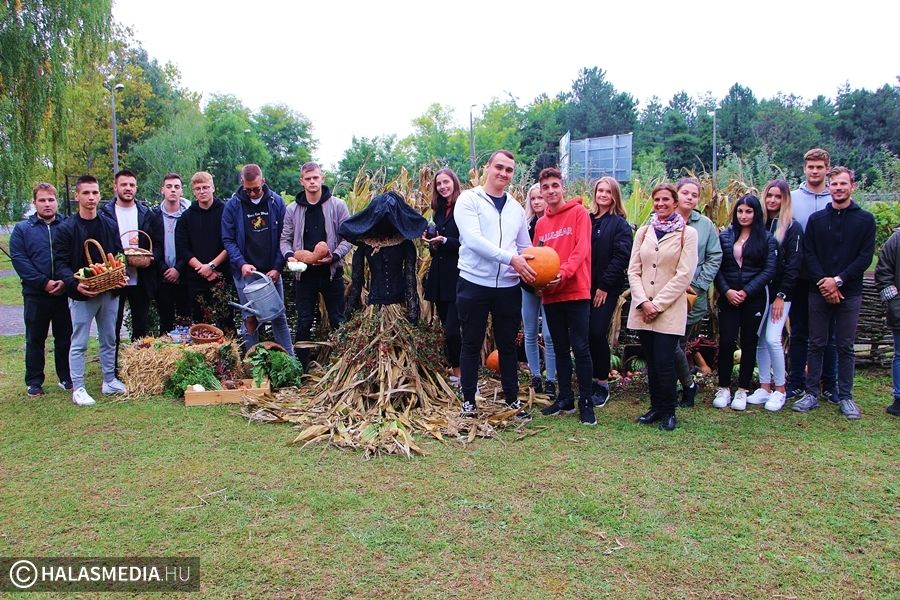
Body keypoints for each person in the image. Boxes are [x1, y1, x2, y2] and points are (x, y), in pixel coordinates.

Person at [454, 149, 536, 419]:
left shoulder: (515, 207)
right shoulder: (468, 200)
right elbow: (474, 240)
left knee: (508, 345)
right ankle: (469, 402)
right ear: (487, 167)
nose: (503, 173)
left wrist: (541, 268)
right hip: (474, 282)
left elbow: (524, 246)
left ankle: (512, 400)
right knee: (471, 343)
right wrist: (510, 259)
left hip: (508, 287)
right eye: (498, 167)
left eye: (509, 170)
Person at [793, 167, 875, 419]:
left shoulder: (865, 220)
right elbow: (808, 254)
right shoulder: (817, 220)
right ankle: (811, 394)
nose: (838, 188)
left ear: (853, 186)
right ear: (828, 188)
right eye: (834, 185)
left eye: (843, 184)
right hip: (818, 290)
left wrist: (838, 281)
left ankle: (846, 396)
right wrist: (823, 282)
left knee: (845, 345)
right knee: (816, 342)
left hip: (849, 292)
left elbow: (864, 257)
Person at [627, 183, 698, 431]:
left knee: (665, 360)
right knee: (652, 360)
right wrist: (643, 301)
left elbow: (684, 275)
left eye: (666, 199)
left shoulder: (686, 234)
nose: (660, 204)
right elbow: (634, 270)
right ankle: (656, 406)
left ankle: (669, 410)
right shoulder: (644, 232)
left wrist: (656, 304)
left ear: (675, 203)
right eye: (656, 200)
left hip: (668, 309)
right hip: (643, 308)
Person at [53, 175, 126, 405]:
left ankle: (109, 380)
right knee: (80, 341)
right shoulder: (67, 228)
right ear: (77, 196)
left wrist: (120, 275)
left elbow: (119, 254)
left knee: (109, 338)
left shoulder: (109, 224)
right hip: (82, 294)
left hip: (109, 291)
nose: (91, 197)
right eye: (86, 193)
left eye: (95, 193)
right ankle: (79, 388)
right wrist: (75, 284)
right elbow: (61, 264)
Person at [533, 167, 596, 425]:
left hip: (576, 289)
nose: (550, 191)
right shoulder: (540, 224)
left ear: (562, 187)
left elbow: (582, 248)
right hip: (551, 294)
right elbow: (536, 256)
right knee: (558, 347)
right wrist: (537, 283)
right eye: (545, 187)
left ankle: (586, 402)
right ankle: (565, 398)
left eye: (554, 185)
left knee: (580, 347)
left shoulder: (579, 213)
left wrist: (565, 272)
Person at [280, 162, 350, 367]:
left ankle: (342, 367)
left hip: (331, 272)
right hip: (304, 274)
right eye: (308, 178)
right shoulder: (292, 209)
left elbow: (349, 238)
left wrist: (335, 255)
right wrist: (290, 255)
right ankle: (300, 369)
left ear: (322, 179)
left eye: (315, 178)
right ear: (302, 181)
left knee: (338, 320)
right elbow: (285, 239)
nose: (312, 182)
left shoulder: (338, 206)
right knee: (303, 322)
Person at [712, 195, 777, 410]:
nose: (743, 215)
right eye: (740, 211)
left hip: (754, 299)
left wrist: (747, 291)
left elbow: (769, 270)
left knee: (749, 343)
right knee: (727, 342)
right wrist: (727, 290)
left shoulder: (767, 239)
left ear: (756, 213)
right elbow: (717, 266)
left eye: (748, 211)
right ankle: (723, 388)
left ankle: (742, 390)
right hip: (728, 298)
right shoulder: (725, 236)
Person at [222, 163, 295, 355]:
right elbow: (228, 239)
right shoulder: (233, 205)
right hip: (246, 272)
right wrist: (241, 263)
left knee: (278, 316)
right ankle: (252, 363)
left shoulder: (276, 202)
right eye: (248, 190)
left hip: (271, 271)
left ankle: (291, 360)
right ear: (242, 183)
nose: (253, 193)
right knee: (249, 318)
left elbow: (285, 236)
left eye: (256, 189)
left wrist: (278, 267)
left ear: (263, 181)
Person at [10, 183, 72, 396]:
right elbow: (20, 260)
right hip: (36, 294)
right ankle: (34, 380)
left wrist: (66, 281)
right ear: (34, 203)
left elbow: (73, 255)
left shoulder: (67, 225)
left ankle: (66, 376)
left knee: (65, 336)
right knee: (35, 337)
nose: (47, 204)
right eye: (42, 200)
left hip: (64, 292)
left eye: (51, 200)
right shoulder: (23, 230)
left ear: (57, 201)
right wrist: (43, 282)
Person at [745, 180, 803, 412]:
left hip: (781, 294)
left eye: (778, 197)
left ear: (785, 199)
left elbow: (793, 265)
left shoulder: (792, 227)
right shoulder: (759, 225)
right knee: (759, 340)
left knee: (772, 338)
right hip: (760, 291)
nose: (772, 201)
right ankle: (765, 387)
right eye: (769, 196)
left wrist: (782, 294)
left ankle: (781, 389)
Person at [788, 148, 837, 404]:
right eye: (811, 167)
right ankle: (795, 382)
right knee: (799, 331)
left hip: (828, 277)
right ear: (804, 168)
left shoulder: (836, 196)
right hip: (800, 275)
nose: (815, 171)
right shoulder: (793, 198)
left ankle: (830, 384)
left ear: (827, 168)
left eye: (819, 167)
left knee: (829, 334)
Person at [100, 169, 163, 370]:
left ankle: (138, 367)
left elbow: (158, 244)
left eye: (132, 185)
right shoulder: (105, 214)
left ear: (136, 187)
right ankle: (112, 368)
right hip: (114, 279)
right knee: (113, 327)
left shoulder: (147, 213)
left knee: (141, 325)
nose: (128, 188)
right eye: (124, 184)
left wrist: (150, 260)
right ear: (115, 187)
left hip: (141, 278)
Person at [671, 177, 721, 407]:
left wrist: (699, 285)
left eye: (694, 194)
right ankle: (682, 385)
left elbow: (714, 256)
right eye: (685, 193)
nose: (690, 198)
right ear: (676, 194)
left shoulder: (704, 225)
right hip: (664, 293)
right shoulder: (663, 218)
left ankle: (685, 386)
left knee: (678, 344)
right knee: (669, 344)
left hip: (691, 294)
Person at [341, 191, 427, 322]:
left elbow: (410, 281)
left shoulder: (405, 244)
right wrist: (347, 318)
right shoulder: (366, 245)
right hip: (374, 309)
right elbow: (356, 284)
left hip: (399, 309)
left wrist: (412, 316)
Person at [586, 176, 632, 408]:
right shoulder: (587, 219)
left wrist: (604, 286)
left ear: (615, 195)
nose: (603, 195)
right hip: (583, 286)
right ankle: (588, 380)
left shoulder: (620, 224)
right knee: (584, 334)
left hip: (605, 288)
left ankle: (602, 382)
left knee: (596, 333)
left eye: (608, 191)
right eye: (600, 190)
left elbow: (620, 257)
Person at [175, 171, 231, 332]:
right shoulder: (186, 217)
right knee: (200, 324)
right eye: (198, 188)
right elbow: (183, 248)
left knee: (225, 320)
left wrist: (212, 266)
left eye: (205, 187)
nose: (202, 191)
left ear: (213, 188)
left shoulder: (226, 212)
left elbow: (230, 242)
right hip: (195, 277)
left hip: (221, 275)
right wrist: (202, 268)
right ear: (193, 191)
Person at [422, 168, 463, 384]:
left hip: (458, 276)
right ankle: (456, 370)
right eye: (439, 184)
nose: (443, 187)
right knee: (445, 325)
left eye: (446, 182)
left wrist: (445, 241)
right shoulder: (437, 211)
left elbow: (467, 242)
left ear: (454, 183)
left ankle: (462, 373)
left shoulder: (463, 208)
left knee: (453, 329)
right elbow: (435, 249)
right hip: (439, 277)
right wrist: (431, 241)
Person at [520, 183, 557, 398]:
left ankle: (551, 378)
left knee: (550, 335)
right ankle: (535, 375)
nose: (536, 202)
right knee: (530, 331)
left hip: (550, 286)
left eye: (539, 198)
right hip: (527, 285)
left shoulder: (554, 226)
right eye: (532, 198)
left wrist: (545, 283)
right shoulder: (525, 226)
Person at [153, 172, 191, 333]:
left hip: (185, 275)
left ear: (182, 191)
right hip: (162, 277)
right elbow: (152, 245)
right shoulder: (153, 215)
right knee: (165, 323)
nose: (173, 190)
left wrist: (178, 269)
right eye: (169, 187)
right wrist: (164, 270)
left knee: (186, 321)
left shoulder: (189, 215)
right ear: (162, 190)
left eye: (176, 187)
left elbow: (191, 245)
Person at [874, 226, 900, 416]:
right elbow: (883, 272)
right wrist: (894, 302)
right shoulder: (897, 239)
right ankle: (899, 399)